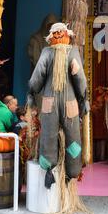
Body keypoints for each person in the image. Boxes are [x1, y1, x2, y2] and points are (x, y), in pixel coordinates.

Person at [27, 22, 89, 189]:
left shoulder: (47, 52)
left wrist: (32, 92)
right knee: (73, 138)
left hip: (49, 104)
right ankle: (72, 174)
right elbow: (80, 78)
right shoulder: (73, 52)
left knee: (49, 136)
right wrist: (84, 99)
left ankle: (48, 169)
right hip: (70, 104)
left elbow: (37, 75)